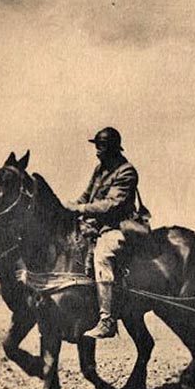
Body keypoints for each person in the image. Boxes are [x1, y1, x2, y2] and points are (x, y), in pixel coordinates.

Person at [66, 127, 145, 338]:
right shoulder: (100, 169)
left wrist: (80, 209)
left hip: (118, 227)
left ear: (111, 148)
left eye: (100, 147)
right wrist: (67, 206)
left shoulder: (127, 171)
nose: (97, 151)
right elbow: (86, 197)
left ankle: (107, 320)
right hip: (97, 227)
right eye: (96, 146)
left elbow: (112, 205)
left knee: (102, 257)